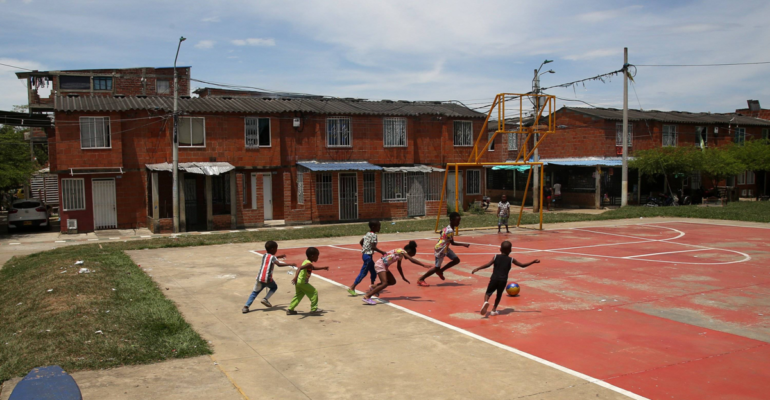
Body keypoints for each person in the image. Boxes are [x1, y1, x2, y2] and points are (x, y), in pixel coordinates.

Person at [472, 241, 539, 316]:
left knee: (488, 293)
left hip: (494, 278)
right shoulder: (511, 259)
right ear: (510, 250)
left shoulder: (496, 256)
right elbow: (522, 265)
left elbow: (488, 265)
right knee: (499, 295)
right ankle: (494, 310)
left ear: (500, 249)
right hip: (503, 280)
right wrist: (533, 261)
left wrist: (478, 268)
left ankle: (486, 301)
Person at [361, 241, 430, 305]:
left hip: (384, 266)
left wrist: (403, 277)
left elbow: (399, 267)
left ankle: (374, 287)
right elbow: (411, 260)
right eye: (411, 255)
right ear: (408, 251)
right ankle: (367, 296)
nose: (410, 257)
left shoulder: (400, 254)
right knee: (384, 283)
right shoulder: (401, 251)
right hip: (380, 264)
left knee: (392, 281)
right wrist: (423, 265)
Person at [417, 212, 471, 287]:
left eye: (459, 221)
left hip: (445, 248)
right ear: (452, 220)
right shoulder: (450, 231)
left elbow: (441, 232)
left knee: (456, 260)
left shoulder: (448, 228)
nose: (459, 222)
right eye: (457, 221)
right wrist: (464, 244)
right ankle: (421, 279)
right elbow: (453, 243)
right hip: (441, 249)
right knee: (436, 268)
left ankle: (440, 271)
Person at [242, 241, 296, 314]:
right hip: (267, 279)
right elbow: (278, 264)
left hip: (259, 278)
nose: (276, 250)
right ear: (272, 249)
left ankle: (246, 307)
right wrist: (290, 264)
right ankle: (265, 299)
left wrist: (278, 256)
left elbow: (271, 259)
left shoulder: (265, 255)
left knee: (255, 292)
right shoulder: (273, 257)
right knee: (274, 287)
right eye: (276, 249)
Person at [287, 247, 329, 315]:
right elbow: (299, 268)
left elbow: (313, 268)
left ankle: (290, 309)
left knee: (298, 295)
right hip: (302, 282)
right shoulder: (308, 264)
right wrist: (295, 277)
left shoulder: (307, 262)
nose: (317, 258)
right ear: (312, 256)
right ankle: (314, 309)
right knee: (314, 292)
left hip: (298, 282)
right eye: (317, 256)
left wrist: (323, 267)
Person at [347, 220, 386, 296]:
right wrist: (382, 252)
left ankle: (372, 286)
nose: (380, 228)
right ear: (373, 227)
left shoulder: (367, 234)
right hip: (368, 257)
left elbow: (361, 242)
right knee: (363, 273)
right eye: (379, 226)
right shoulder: (374, 235)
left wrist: (365, 248)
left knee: (374, 271)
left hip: (366, 255)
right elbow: (373, 247)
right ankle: (352, 287)